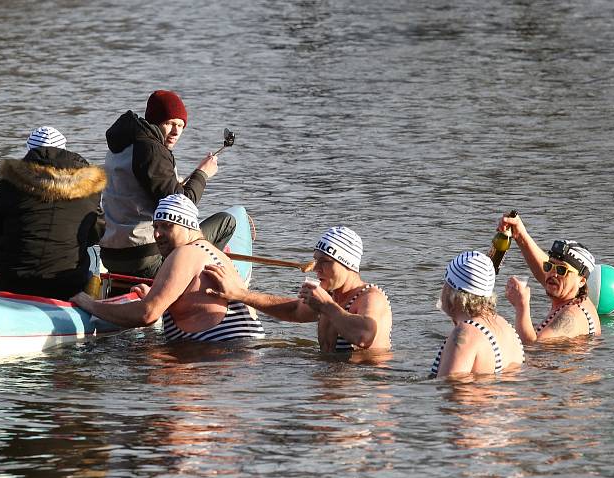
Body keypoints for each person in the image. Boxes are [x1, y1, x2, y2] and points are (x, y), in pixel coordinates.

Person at [71, 194, 264, 342]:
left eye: (167, 226)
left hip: (220, 356)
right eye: (155, 227)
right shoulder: (214, 253)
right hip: (238, 358)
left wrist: (91, 305)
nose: (157, 234)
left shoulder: (184, 253)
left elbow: (147, 314)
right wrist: (158, 296)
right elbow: (196, 303)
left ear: (188, 226)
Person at [99, 90, 236, 279]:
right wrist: (202, 174)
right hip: (145, 256)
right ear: (155, 122)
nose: (176, 131)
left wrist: (176, 182)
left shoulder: (123, 144)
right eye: (170, 123)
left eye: (181, 125)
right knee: (227, 221)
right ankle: (195, 282)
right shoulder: (151, 150)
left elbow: (138, 189)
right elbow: (181, 207)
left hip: (110, 255)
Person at [0, 126, 106, 300]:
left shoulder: (8, 185)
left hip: (12, 286)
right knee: (92, 250)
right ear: (65, 150)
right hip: (66, 288)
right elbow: (97, 234)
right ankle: (92, 302)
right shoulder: (88, 187)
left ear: (29, 153)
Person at [204, 226, 392, 353]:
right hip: (333, 383)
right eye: (316, 260)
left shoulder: (370, 297)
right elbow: (293, 310)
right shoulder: (332, 296)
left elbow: (365, 336)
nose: (316, 268)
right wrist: (240, 294)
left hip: (363, 391)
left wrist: (326, 305)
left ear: (348, 265)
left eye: (325, 262)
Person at [498, 213, 601, 342]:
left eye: (562, 270)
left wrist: (521, 306)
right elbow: (544, 271)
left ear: (581, 281)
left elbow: (531, 348)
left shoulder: (572, 315)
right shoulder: (569, 295)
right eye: (549, 266)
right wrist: (519, 235)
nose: (553, 274)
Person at [430, 251, 524, 378]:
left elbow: (451, 390)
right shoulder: (506, 327)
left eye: (445, 283)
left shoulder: (466, 334)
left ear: (452, 293)